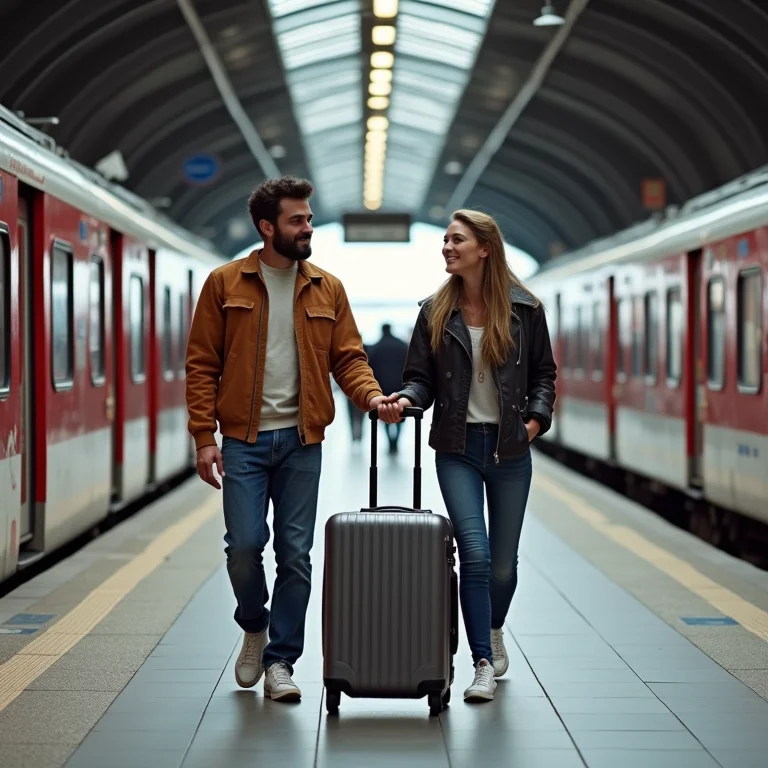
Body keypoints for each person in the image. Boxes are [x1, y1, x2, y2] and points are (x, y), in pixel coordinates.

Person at [185, 176, 388, 702]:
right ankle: (254, 622)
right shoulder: (225, 284)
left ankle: (281, 661)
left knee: (296, 554)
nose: (308, 227)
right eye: (298, 220)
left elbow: (348, 359)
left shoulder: (327, 288)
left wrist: (371, 399)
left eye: (310, 219)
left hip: (302, 441)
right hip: (243, 443)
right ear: (267, 226)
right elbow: (202, 364)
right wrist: (204, 436)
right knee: (245, 547)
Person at [377, 209, 556, 702]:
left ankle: (493, 626)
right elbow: (420, 378)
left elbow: (544, 375)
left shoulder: (526, 310)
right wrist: (406, 399)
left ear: (485, 248)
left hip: (510, 451)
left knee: (503, 565)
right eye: (445, 240)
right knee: (474, 555)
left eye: (456, 240)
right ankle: (480, 661)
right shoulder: (434, 312)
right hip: (456, 448)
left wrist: (534, 423)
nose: (447, 248)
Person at [366, 324, 408, 453]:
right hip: (400, 386)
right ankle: (396, 441)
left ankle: (390, 440)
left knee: (384, 413)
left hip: (382, 386)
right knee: (401, 412)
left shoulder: (376, 347)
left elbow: (369, 368)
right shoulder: (402, 346)